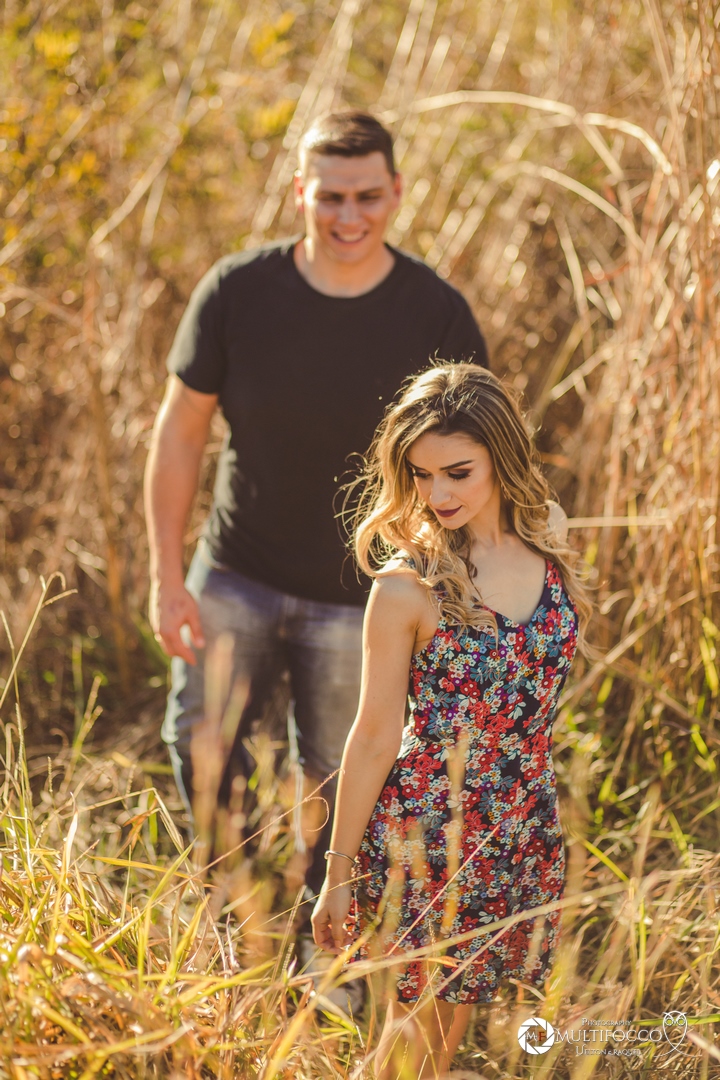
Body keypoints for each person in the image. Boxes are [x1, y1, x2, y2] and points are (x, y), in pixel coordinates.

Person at [144, 113, 488, 912]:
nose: (348, 216)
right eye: (330, 196)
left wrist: (449, 589)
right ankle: (232, 909)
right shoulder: (237, 291)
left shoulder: (436, 314)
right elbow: (180, 432)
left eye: (367, 195)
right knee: (200, 743)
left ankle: (318, 934)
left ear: (396, 192)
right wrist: (167, 576)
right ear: (300, 191)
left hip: (362, 595)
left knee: (340, 775)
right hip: (237, 569)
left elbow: (474, 466)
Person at [311, 363, 591, 1077]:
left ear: (503, 457)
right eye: (422, 475)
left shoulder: (548, 535)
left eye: (458, 473)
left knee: (448, 1028)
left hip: (521, 826)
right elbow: (374, 736)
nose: (437, 495)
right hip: (430, 835)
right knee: (415, 1036)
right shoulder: (406, 588)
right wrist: (336, 873)